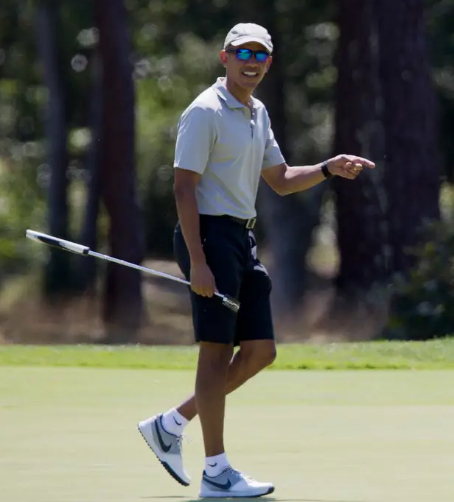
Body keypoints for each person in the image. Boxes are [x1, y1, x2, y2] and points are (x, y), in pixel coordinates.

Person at [138, 22, 375, 499]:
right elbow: (184, 187)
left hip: (241, 240)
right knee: (215, 349)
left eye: (261, 55)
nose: (252, 61)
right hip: (207, 235)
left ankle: (171, 423)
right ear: (224, 57)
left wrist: (329, 167)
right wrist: (199, 262)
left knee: (261, 351)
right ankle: (216, 473)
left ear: (268, 63)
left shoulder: (256, 112)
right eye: (243, 52)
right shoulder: (204, 111)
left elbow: (283, 179)